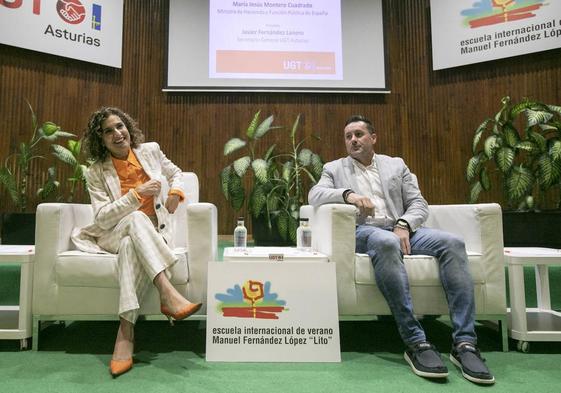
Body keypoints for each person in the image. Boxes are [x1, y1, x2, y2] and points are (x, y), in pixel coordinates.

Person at [308, 115, 494, 385]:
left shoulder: (396, 165)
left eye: (359, 134)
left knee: (453, 243)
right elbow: (315, 194)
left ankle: (464, 343)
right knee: (386, 242)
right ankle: (416, 341)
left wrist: (405, 224)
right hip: (365, 231)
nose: (353, 140)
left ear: (373, 138)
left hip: (404, 229)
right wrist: (348, 195)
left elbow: (418, 203)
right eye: (348, 136)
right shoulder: (334, 168)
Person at [72, 107, 202, 377]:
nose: (117, 134)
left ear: (128, 127)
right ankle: (167, 292)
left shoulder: (151, 151)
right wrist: (136, 195)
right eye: (108, 131)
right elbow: (102, 217)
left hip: (151, 234)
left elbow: (176, 173)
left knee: (133, 242)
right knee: (134, 219)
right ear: (101, 139)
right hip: (112, 233)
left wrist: (176, 193)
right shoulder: (95, 172)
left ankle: (125, 331)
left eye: (120, 126)